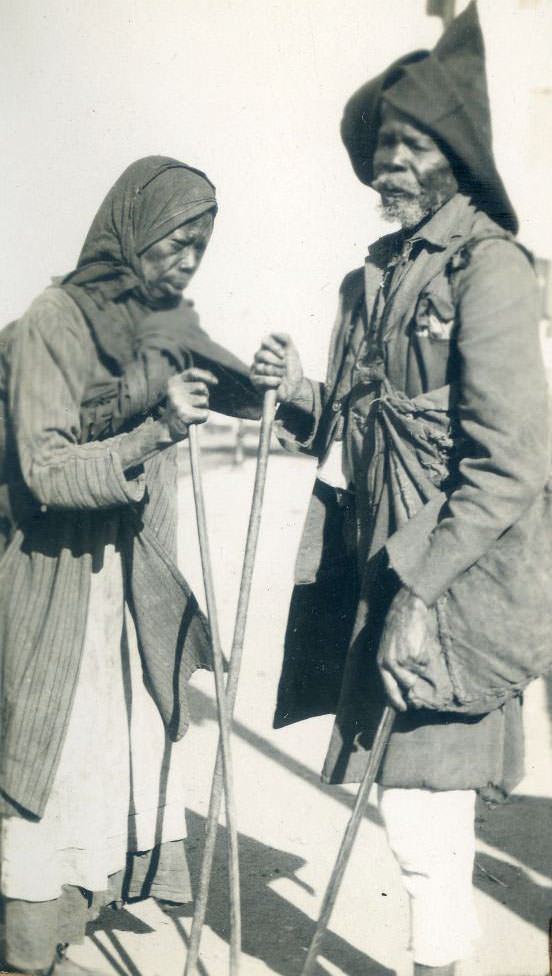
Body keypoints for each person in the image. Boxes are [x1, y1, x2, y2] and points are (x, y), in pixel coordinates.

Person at [251, 5, 552, 974]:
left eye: (409, 144)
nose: (388, 165)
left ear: (455, 154)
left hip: (455, 584)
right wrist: (294, 391)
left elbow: (511, 460)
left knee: (427, 819)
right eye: (381, 146)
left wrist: (420, 591)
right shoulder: (370, 279)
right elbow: (347, 422)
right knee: (407, 812)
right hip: (380, 574)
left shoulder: (490, 269)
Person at [0, 156, 257, 976]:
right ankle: (25, 950)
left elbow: (233, 385)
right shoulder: (54, 321)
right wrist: (153, 433)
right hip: (50, 577)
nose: (187, 260)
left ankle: (54, 939)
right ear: (133, 228)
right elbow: (43, 468)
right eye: (177, 240)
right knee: (46, 760)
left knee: (107, 760)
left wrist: (283, 383)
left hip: (118, 579)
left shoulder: (162, 321)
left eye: (201, 246)